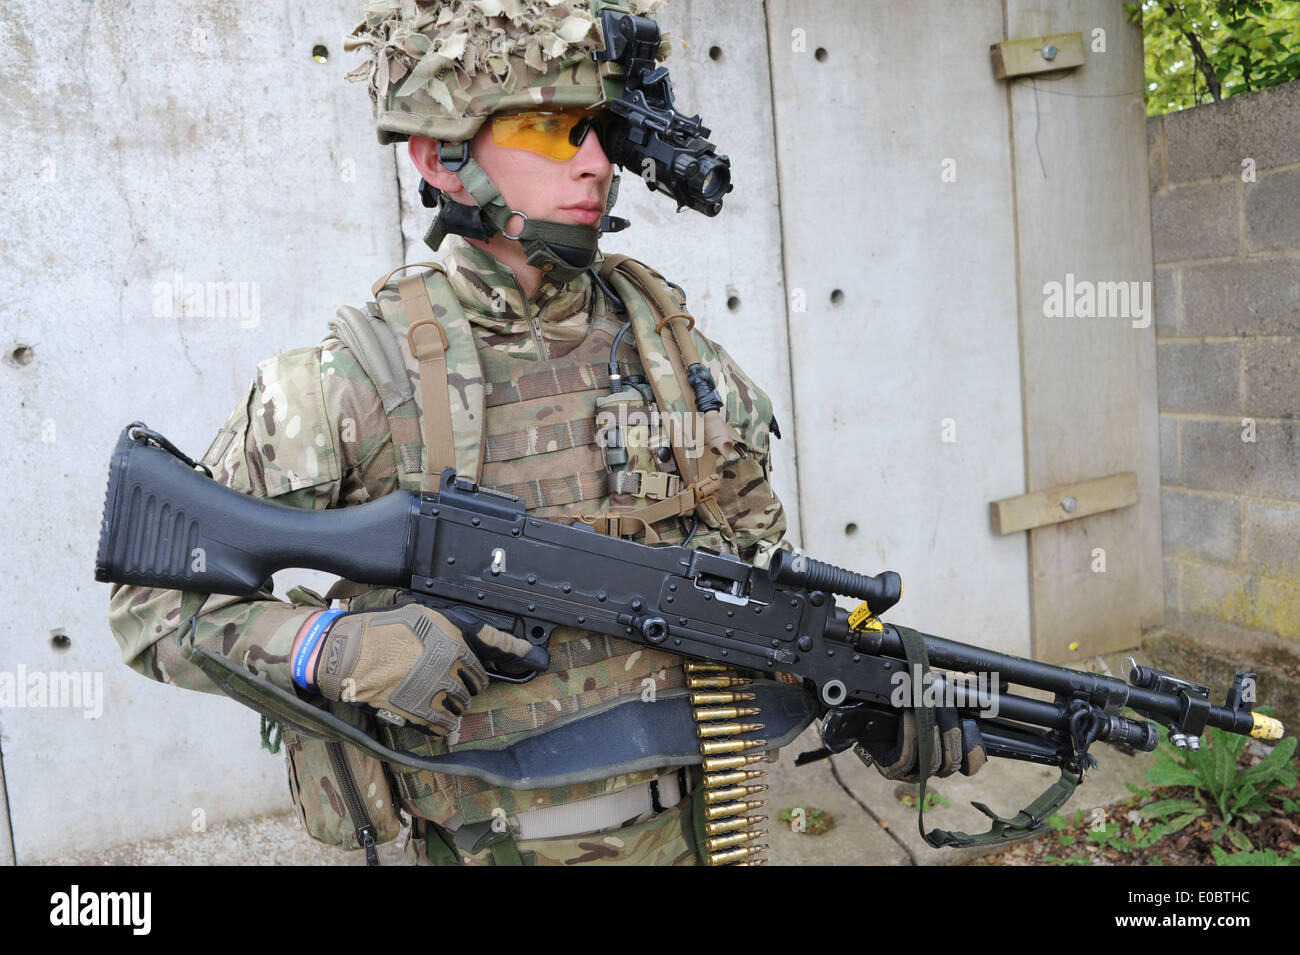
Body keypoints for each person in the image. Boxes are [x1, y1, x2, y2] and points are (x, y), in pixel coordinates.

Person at [109, 0, 978, 867]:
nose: (595, 163)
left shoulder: (675, 352)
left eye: (597, 129)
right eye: (549, 129)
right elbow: (153, 607)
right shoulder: (354, 380)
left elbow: (756, 597)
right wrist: (327, 647)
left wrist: (880, 695)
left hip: (705, 839)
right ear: (439, 156)